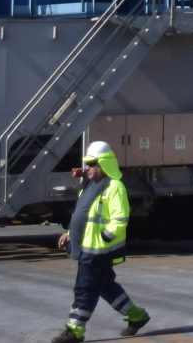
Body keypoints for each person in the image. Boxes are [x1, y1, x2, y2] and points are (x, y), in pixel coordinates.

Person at [54, 140, 150, 340]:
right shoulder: (91, 185)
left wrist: (105, 237)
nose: (87, 168)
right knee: (105, 286)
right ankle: (137, 315)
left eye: (91, 164)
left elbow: (120, 218)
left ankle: (75, 331)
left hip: (98, 250)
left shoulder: (115, 187)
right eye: (86, 164)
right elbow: (82, 216)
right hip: (87, 247)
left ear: (104, 164)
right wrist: (70, 234)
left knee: (85, 288)